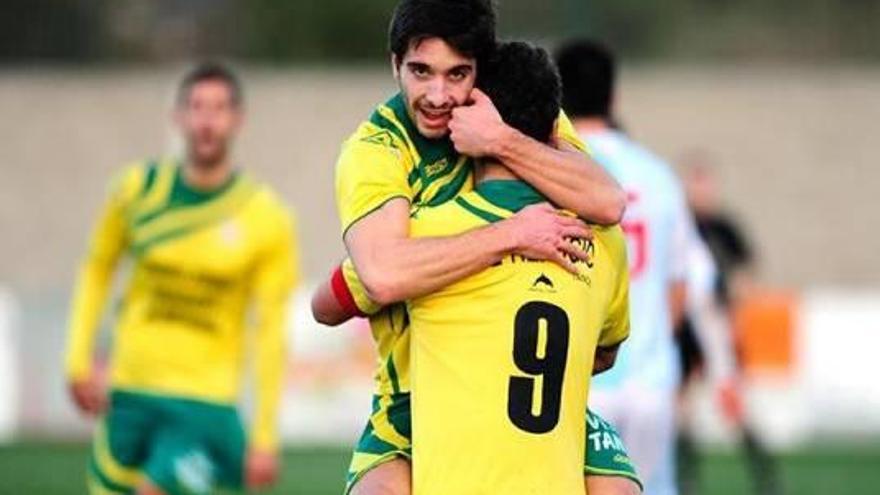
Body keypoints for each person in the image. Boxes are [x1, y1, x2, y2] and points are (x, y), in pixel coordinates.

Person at [312, 1, 632, 493]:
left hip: (520, 390)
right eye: (420, 72)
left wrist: (502, 140)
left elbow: (608, 201)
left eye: (457, 74)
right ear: (394, 63)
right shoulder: (375, 151)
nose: (438, 96)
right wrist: (513, 235)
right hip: (410, 401)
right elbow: (380, 274)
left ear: (481, 72)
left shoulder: (510, 113)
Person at [405, 40, 632, 494]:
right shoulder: (604, 241)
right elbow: (602, 352)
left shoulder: (424, 233)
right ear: (555, 132)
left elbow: (332, 302)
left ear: (465, 123)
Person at [64, 63, 298, 495]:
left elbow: (270, 331)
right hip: (128, 394)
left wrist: (264, 434)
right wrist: (78, 360)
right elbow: (96, 269)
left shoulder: (266, 218)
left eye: (220, 108)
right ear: (178, 116)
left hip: (204, 406)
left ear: (237, 120)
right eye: (196, 107)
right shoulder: (136, 191)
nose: (207, 120)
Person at [556, 39, 698, 495]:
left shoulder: (555, 172)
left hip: (582, 377)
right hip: (650, 378)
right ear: (615, 97)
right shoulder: (658, 176)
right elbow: (681, 286)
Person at [678, 153, 782, 495]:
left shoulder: (724, 228)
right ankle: (686, 480)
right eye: (695, 184)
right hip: (686, 327)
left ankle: (765, 475)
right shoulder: (683, 225)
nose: (701, 191)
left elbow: (747, 271)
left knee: (733, 403)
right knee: (682, 408)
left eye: (704, 184)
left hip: (714, 323)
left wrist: (735, 302)